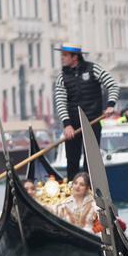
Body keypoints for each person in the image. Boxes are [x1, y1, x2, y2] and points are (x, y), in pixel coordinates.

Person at [52, 44, 119, 179]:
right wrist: (67, 124)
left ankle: (90, 190)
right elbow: (60, 102)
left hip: (92, 122)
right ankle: (73, 189)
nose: (62, 58)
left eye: (65, 55)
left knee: (91, 160)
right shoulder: (61, 78)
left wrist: (110, 105)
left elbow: (112, 85)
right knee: (72, 160)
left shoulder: (93, 69)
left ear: (75, 57)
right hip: (73, 126)